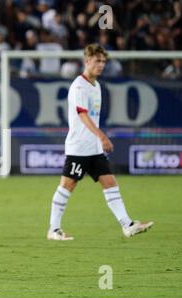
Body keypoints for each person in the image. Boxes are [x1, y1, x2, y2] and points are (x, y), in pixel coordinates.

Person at [47, 44, 153, 241]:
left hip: (93, 148)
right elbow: (82, 114)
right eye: (97, 61)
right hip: (79, 147)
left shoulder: (96, 86)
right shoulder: (79, 86)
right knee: (67, 186)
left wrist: (98, 140)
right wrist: (102, 136)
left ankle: (127, 224)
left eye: (104, 61)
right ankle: (53, 229)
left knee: (110, 182)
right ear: (87, 61)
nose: (101, 65)